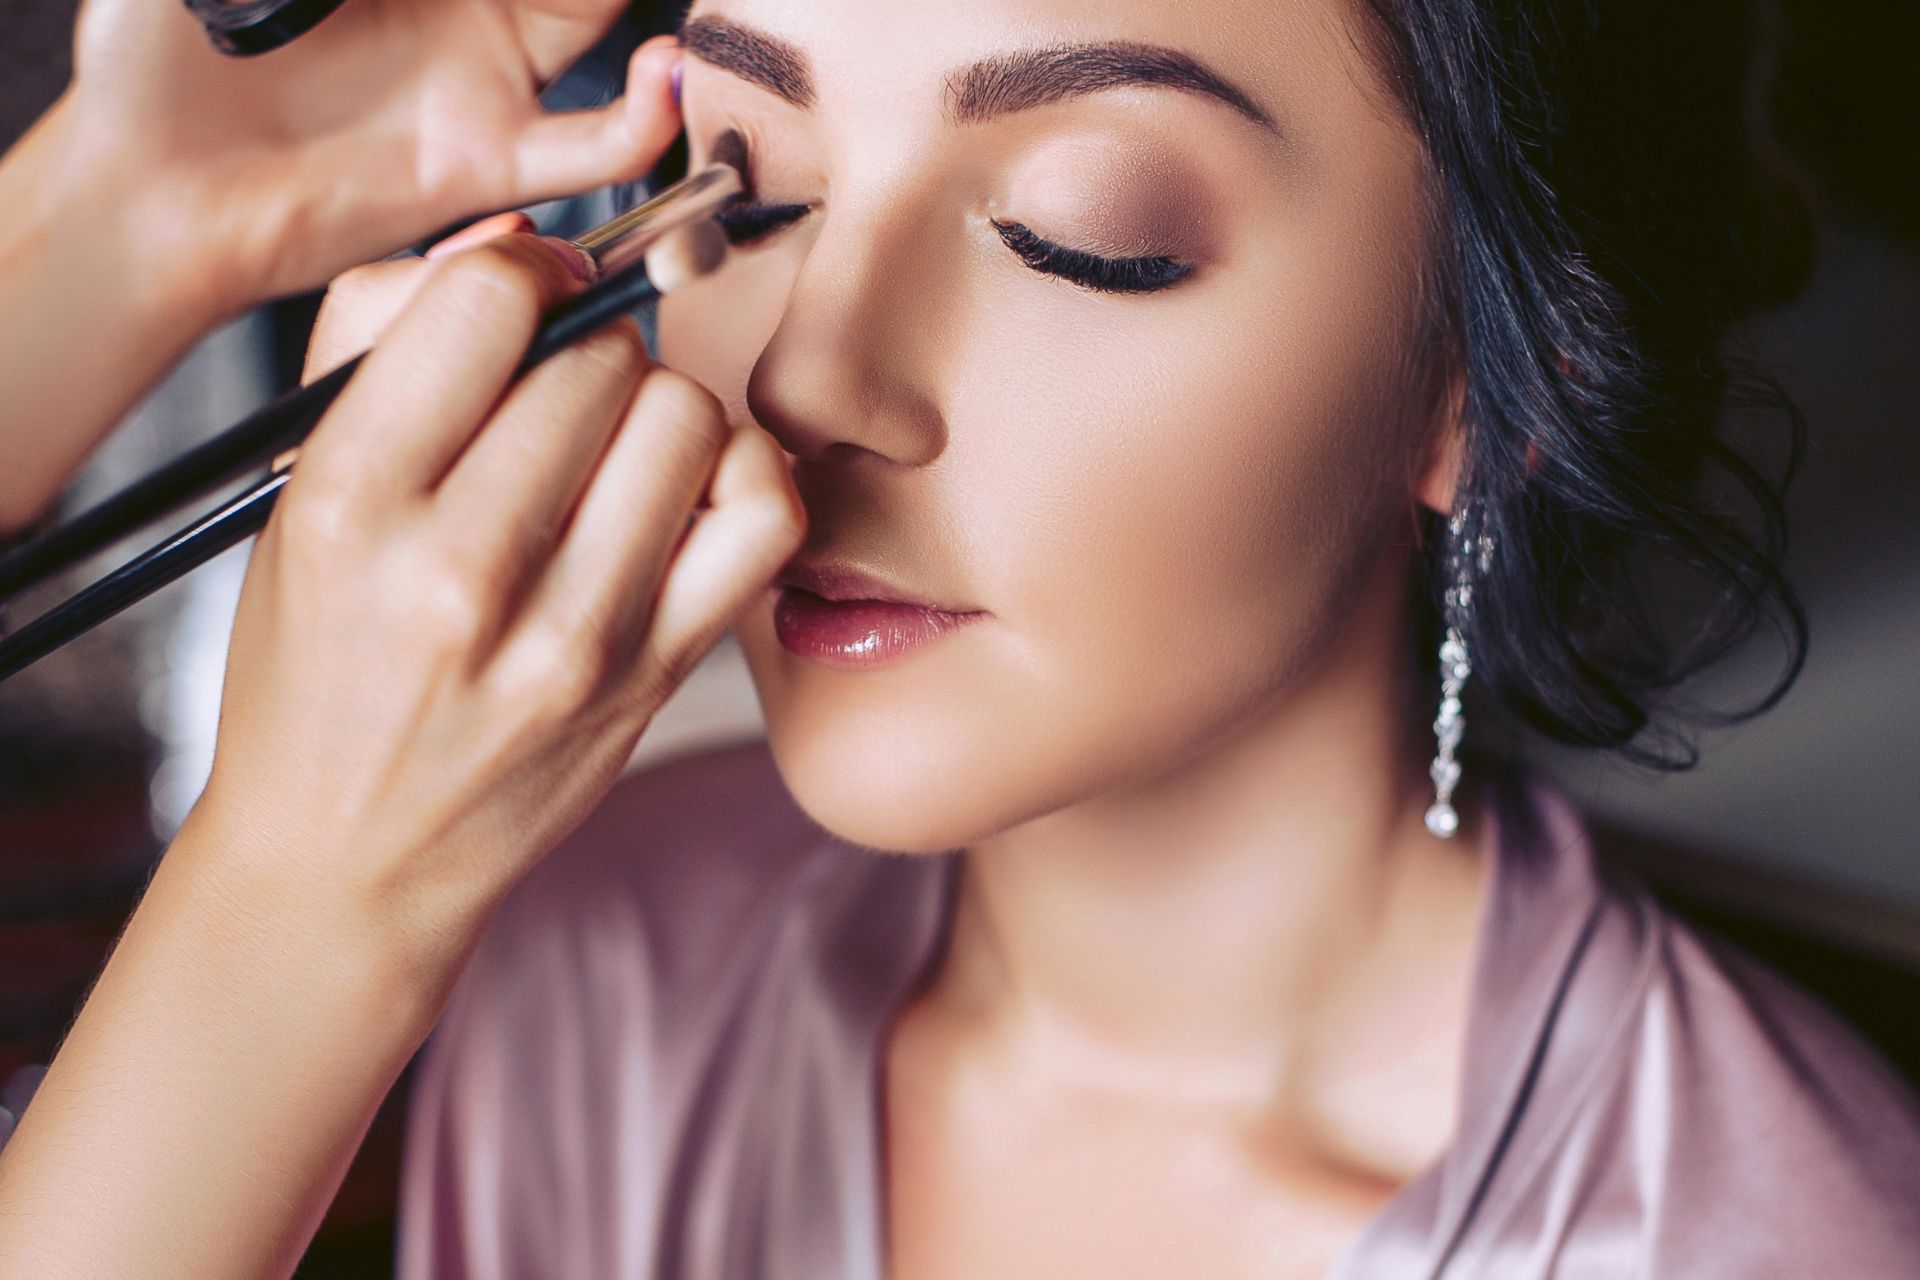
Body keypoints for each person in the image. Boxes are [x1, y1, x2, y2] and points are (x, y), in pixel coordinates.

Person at [4, 4, 1920, 1280]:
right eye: (744, 185)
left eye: (1081, 235)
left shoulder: (1758, 1228)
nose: (823, 372)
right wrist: (111, 222)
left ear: (1502, 381)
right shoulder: (605, 961)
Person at [0, 2, 806, 1277]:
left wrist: (112, 227)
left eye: (1085, 240)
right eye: (783, 197)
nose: (808, 390)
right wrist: (304, 876)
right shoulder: (603, 991)